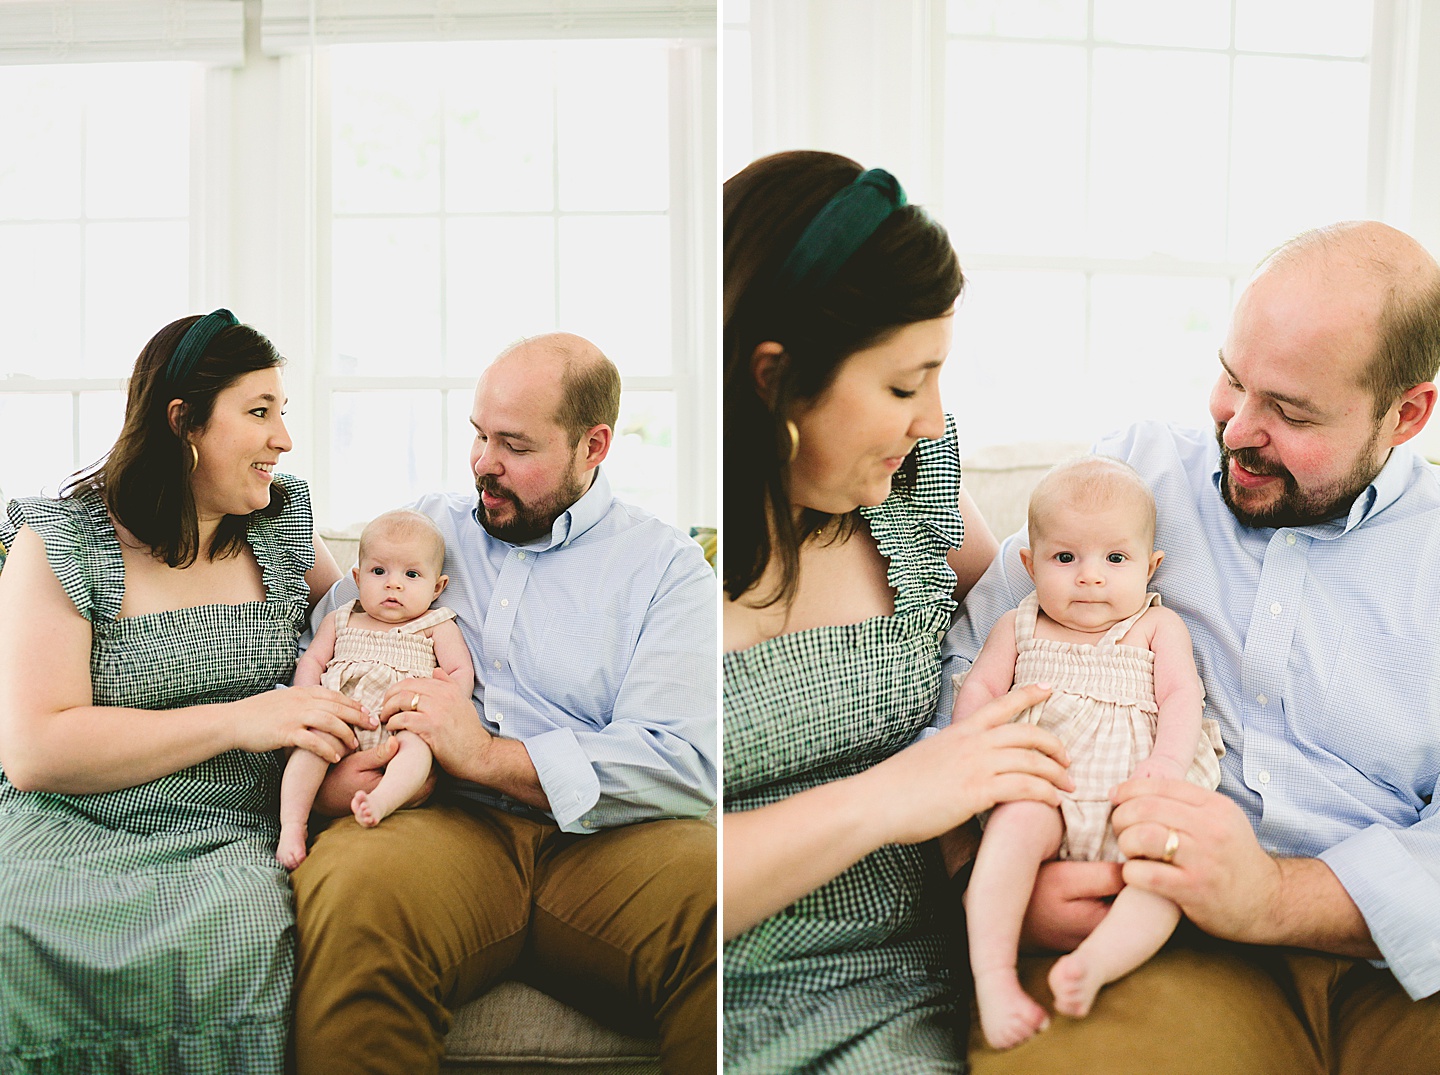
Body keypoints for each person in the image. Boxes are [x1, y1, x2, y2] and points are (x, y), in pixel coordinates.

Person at [944, 220, 1440, 1073]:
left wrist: (1279, 897)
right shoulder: (1130, 478)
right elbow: (967, 668)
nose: (1238, 426)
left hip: (1397, 963)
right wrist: (981, 873)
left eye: (1289, 411)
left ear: (1406, 415)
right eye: (1233, 378)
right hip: (1154, 941)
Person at [722, 149, 1075, 1072]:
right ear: (774, 380)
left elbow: (1031, 619)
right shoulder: (661, 576)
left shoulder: (911, 492)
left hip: (939, 967)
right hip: (733, 985)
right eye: (903, 385)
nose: (931, 418)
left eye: (938, 377)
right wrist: (891, 796)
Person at [288, 332, 718, 1075]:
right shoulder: (426, 529)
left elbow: (684, 760)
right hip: (436, 823)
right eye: (480, 436)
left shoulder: (666, 568)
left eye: (514, 444)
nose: (485, 461)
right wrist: (327, 774)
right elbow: (330, 646)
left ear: (595, 445)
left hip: (610, 844)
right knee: (353, 893)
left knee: (728, 898)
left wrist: (488, 753)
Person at [0, 311, 371, 1073]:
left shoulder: (281, 527)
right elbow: (37, 750)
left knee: (239, 932)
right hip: (73, 822)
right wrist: (243, 717)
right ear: (184, 422)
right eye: (259, 412)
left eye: (283, 413)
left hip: (231, 828)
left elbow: (355, 643)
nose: (284, 439)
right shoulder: (61, 543)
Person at [956, 457, 1224, 1048]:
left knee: (1163, 877)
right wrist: (970, 746)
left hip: (1137, 790)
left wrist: (1168, 764)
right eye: (1065, 558)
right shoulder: (1018, 625)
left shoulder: (1158, 628)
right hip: (1043, 786)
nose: (1091, 578)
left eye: (1116, 559)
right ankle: (993, 976)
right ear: (1029, 565)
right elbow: (979, 688)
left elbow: (1184, 697)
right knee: (1009, 838)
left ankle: (1099, 961)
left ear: (1151, 568)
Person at [277, 509, 474, 868]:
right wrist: (309, 702)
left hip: (402, 721)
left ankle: (382, 800)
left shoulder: (436, 625)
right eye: (379, 571)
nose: (393, 584)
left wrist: (450, 701)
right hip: (339, 717)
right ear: (357, 576)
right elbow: (311, 662)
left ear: (437, 587)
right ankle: (292, 824)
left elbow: (460, 669)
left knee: (416, 751)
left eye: (411, 574)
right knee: (310, 749)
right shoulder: (341, 619)